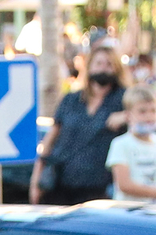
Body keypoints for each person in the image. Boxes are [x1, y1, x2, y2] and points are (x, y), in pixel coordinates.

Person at [30, 38, 126, 205]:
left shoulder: (123, 99)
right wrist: (36, 180)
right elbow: (50, 139)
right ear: (89, 67)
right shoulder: (71, 100)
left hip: (100, 190)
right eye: (99, 63)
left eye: (109, 64)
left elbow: (147, 111)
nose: (103, 68)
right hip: (60, 185)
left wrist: (126, 115)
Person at [106, 83, 156, 203]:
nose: (149, 117)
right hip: (129, 215)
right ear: (128, 115)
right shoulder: (120, 144)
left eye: (154, 111)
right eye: (142, 112)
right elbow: (124, 185)